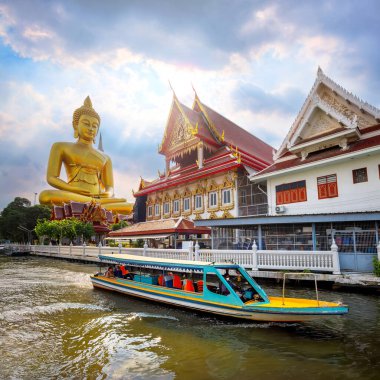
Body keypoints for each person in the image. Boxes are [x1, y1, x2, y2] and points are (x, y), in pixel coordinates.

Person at [39, 96, 132, 213]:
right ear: (75, 125)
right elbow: (51, 178)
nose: (91, 128)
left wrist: (107, 194)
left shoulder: (106, 158)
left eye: (94, 126)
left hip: (97, 197)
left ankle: (94, 203)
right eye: (86, 124)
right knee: (45, 196)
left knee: (130, 207)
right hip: (73, 195)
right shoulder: (60, 147)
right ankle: (96, 204)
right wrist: (72, 189)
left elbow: (110, 187)